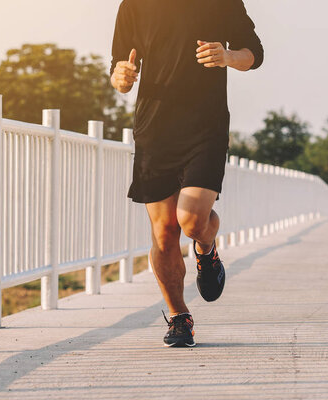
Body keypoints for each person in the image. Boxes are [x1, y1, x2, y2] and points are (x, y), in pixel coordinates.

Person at [110, 0, 263, 347]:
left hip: (205, 128)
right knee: (164, 233)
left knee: (192, 221)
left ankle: (206, 249)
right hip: (155, 129)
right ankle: (179, 316)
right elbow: (119, 71)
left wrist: (227, 56)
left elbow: (254, 53)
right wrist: (120, 77)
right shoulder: (132, 5)